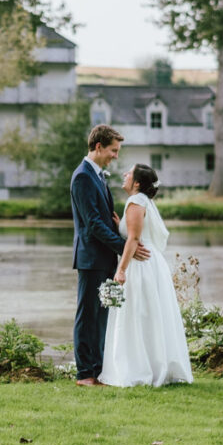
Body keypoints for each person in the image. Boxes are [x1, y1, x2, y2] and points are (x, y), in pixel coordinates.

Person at [99, 164, 193, 387]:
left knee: (136, 315)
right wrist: (120, 225)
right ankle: (154, 364)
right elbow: (137, 232)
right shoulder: (144, 202)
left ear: (137, 183)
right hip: (153, 264)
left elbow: (133, 240)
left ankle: (136, 369)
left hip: (140, 266)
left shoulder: (135, 202)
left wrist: (120, 270)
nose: (125, 175)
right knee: (150, 316)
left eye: (129, 174)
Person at [69, 125, 150, 387]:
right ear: (98, 146)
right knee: (87, 315)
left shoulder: (99, 176)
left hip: (104, 258)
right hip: (91, 258)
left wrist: (119, 236)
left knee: (102, 316)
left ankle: (98, 371)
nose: (115, 156)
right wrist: (125, 246)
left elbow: (104, 219)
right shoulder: (83, 176)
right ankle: (84, 374)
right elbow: (93, 223)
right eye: (113, 150)